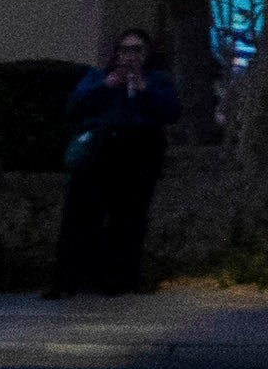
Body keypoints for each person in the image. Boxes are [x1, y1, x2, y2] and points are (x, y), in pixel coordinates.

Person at [47, 26, 176, 299]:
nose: (130, 56)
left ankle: (119, 278)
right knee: (82, 214)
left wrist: (144, 91)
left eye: (137, 50)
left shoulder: (157, 80)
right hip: (101, 149)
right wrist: (106, 87)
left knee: (129, 216)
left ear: (147, 53)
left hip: (139, 150)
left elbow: (171, 112)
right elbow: (74, 107)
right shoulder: (99, 77)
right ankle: (70, 278)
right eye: (124, 50)